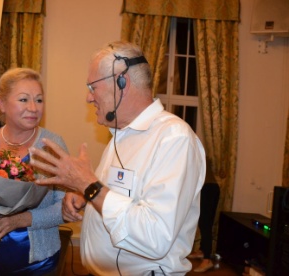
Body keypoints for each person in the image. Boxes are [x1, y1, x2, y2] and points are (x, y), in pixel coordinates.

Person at [28, 41, 206, 275]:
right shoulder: (120, 137)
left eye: (93, 87)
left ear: (122, 82)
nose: (88, 98)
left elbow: (155, 237)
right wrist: (86, 198)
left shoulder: (174, 139)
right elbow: (119, 199)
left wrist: (89, 186)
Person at [0, 68, 68, 275]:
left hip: (36, 264)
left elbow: (64, 209)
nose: (33, 108)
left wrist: (17, 220)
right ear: (1, 104)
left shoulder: (52, 146)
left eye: (39, 100)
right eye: (24, 100)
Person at [188, 159, 220, 273]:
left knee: (205, 224)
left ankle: (207, 260)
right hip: (211, 187)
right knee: (206, 223)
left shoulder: (194, 150)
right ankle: (202, 251)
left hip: (208, 188)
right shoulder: (197, 150)